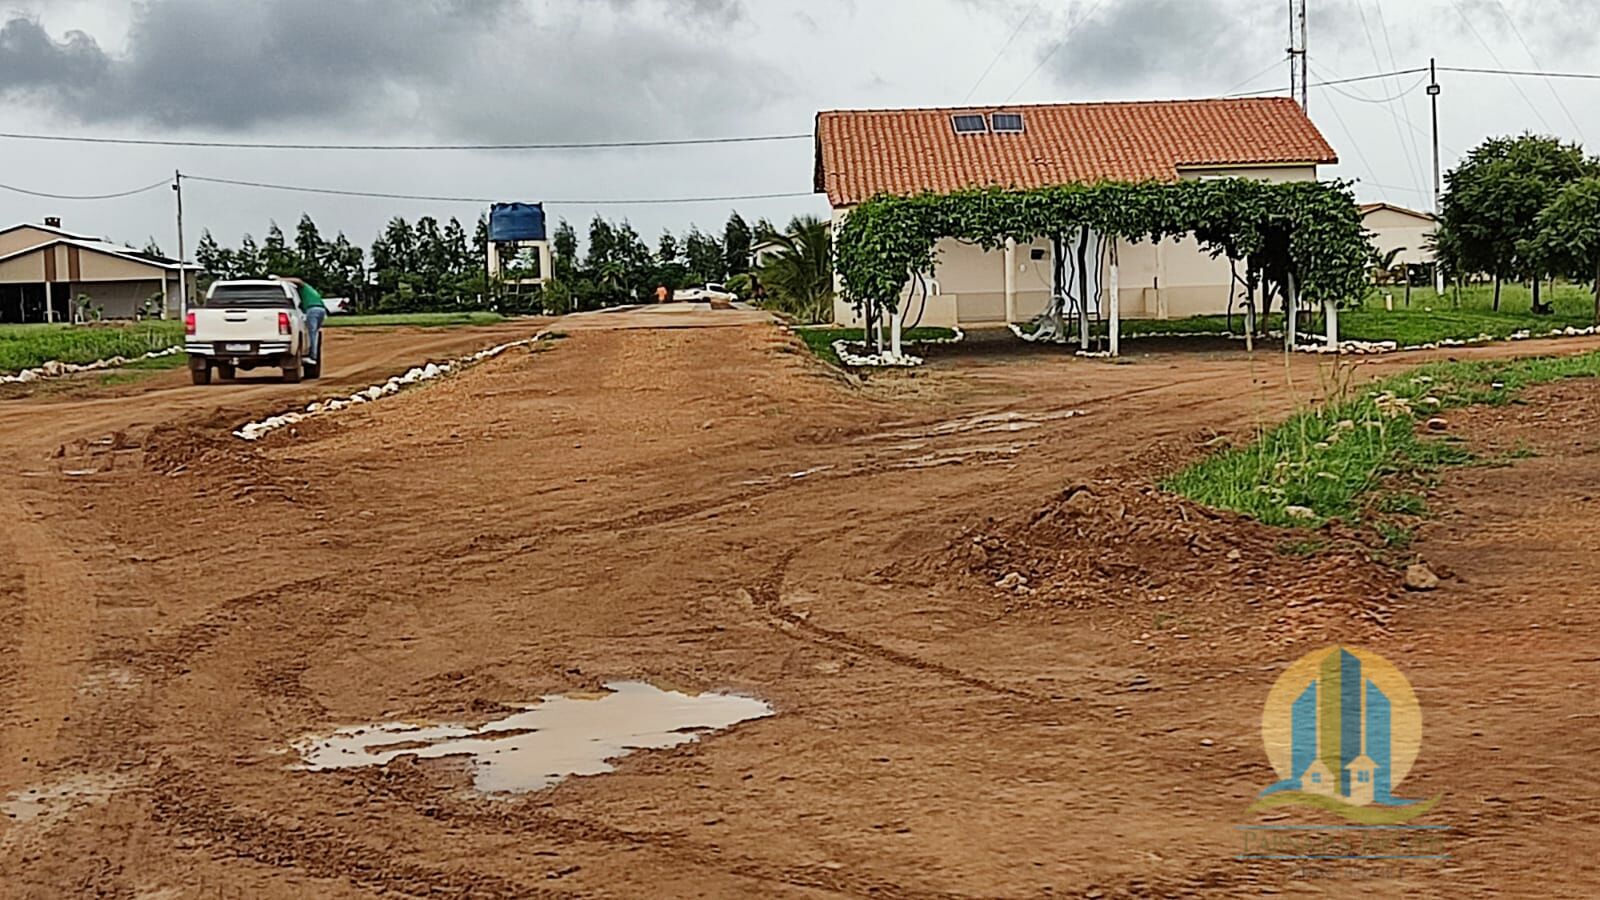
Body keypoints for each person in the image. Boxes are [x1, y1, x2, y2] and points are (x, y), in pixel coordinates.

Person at [277, 276, 327, 365]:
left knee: (312, 334)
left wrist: (280, 279)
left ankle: (312, 357)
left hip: (312, 310)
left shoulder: (304, 287)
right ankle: (313, 356)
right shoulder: (311, 291)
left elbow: (298, 280)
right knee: (314, 334)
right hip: (321, 310)